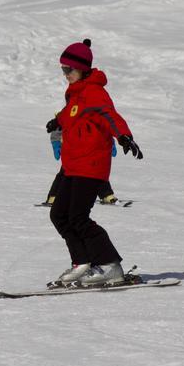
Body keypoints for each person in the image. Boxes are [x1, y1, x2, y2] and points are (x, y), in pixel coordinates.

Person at [46, 39, 143, 288]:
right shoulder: (77, 93)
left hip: (91, 166)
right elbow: (73, 114)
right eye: (63, 70)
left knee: (78, 217)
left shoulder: (94, 91)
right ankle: (83, 262)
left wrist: (123, 136)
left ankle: (111, 266)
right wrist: (58, 121)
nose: (66, 74)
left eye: (70, 70)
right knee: (59, 214)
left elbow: (109, 115)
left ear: (84, 69)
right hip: (73, 165)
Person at [42, 126, 118, 206]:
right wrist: (56, 142)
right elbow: (60, 121)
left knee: (96, 170)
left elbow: (102, 124)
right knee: (67, 170)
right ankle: (55, 196)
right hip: (72, 147)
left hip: (91, 146)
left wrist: (110, 141)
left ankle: (106, 194)